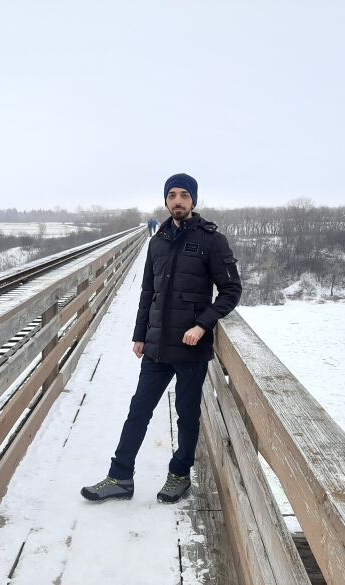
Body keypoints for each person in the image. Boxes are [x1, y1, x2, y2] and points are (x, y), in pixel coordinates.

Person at [81, 173, 242, 503]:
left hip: (190, 346)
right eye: (172, 195)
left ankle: (179, 474)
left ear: (193, 201)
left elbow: (231, 290)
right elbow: (148, 292)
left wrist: (203, 326)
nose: (178, 200)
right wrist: (140, 335)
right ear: (166, 201)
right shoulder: (158, 241)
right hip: (156, 346)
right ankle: (120, 477)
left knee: (186, 415)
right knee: (138, 411)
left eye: (184, 194)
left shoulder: (212, 240)